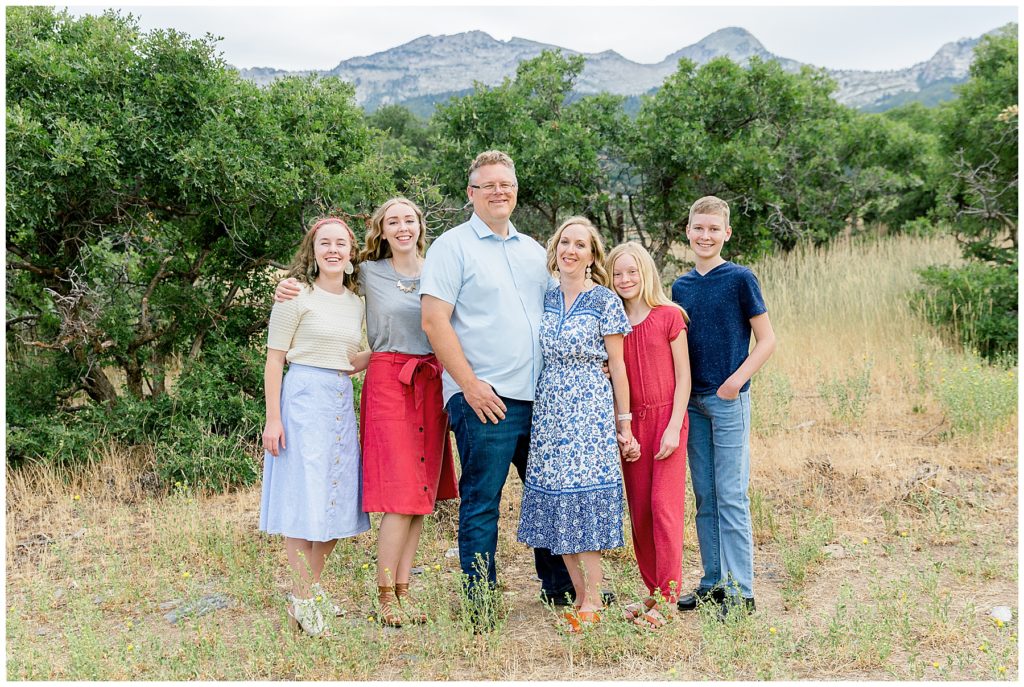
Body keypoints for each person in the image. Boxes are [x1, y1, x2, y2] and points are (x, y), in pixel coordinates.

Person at [274, 198, 459, 628]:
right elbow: (324, 272)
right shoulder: (369, 273)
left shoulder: (440, 270)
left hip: (431, 381)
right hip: (390, 385)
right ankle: (384, 595)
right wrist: (285, 286)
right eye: (392, 221)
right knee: (398, 497)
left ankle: (404, 590)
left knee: (419, 499)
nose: (402, 227)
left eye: (408, 219)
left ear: (419, 225)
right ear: (381, 230)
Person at [419, 150, 578, 615]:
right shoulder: (452, 247)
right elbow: (434, 321)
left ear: (515, 190)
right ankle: (481, 602)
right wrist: (469, 385)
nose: (497, 191)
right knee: (483, 501)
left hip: (541, 399)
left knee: (548, 496)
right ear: (471, 194)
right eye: (487, 185)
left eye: (504, 184)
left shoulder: (533, 251)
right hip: (485, 397)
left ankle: (559, 589)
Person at [516, 218, 633, 633]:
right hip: (549, 409)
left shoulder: (604, 301)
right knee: (556, 500)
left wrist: (625, 422)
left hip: (589, 410)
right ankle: (581, 595)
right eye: (564, 242)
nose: (570, 249)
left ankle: (595, 599)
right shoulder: (544, 298)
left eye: (579, 244)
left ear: (591, 255)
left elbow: (617, 365)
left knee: (584, 499)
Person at [260, 216, 371, 637]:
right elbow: (274, 359)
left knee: (338, 498)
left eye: (341, 243)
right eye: (324, 243)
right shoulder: (294, 296)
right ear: (313, 250)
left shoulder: (355, 302)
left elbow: (349, 359)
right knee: (304, 499)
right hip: (302, 399)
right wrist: (274, 419)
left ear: (350, 252)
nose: (333, 250)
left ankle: (307, 591)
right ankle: (306, 600)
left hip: (339, 399)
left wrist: (383, 353)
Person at [670, 196, 776, 616]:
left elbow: (767, 340)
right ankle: (713, 580)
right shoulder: (682, 287)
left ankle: (742, 590)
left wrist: (735, 381)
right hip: (693, 402)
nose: (706, 235)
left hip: (728, 400)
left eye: (714, 229)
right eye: (699, 228)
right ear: (688, 232)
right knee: (705, 495)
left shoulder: (740, 279)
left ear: (726, 234)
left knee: (731, 494)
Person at [606, 241, 691, 629]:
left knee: (663, 508)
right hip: (630, 424)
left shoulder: (669, 316)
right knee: (639, 512)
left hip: (667, 420)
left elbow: (684, 379)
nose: (625, 280)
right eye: (618, 273)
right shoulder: (613, 324)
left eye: (632, 272)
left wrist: (674, 426)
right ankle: (654, 591)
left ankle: (670, 597)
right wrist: (621, 428)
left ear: (645, 272)